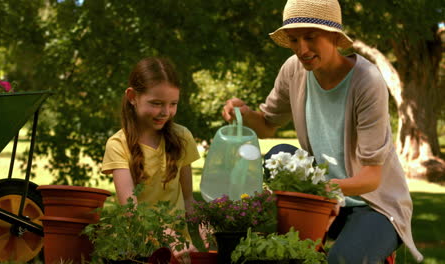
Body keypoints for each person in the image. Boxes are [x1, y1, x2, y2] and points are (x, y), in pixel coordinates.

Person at [222, 0, 423, 263]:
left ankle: (368, 243)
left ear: (335, 36)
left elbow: (372, 178)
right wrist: (243, 114)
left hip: (374, 204)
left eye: (310, 36)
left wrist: (316, 188)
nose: (301, 49)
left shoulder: (367, 81)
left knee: (342, 260)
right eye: (294, 40)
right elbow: (267, 124)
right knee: (279, 154)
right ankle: (312, 238)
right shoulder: (293, 71)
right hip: (327, 201)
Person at [101, 57, 200, 263]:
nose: (165, 112)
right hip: (136, 252)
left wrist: (205, 222)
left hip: (177, 253)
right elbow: (131, 210)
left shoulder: (182, 138)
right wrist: (169, 237)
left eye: (173, 104)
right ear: (132, 97)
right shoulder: (118, 145)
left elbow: (189, 199)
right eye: (156, 104)